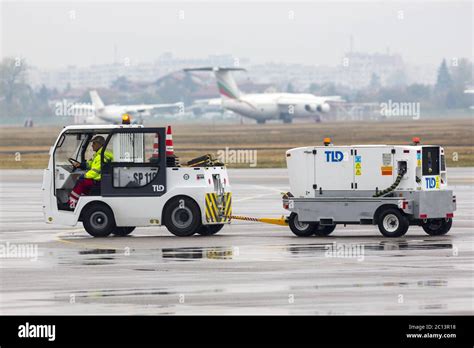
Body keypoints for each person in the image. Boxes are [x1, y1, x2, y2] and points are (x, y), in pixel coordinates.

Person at [68, 136, 113, 208]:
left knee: (81, 181)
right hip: (101, 180)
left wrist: (84, 175)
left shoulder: (101, 156)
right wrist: (81, 165)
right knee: (83, 181)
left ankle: (71, 204)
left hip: (99, 181)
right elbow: (90, 164)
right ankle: (81, 203)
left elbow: (95, 172)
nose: (92, 145)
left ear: (100, 144)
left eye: (94, 143)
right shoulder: (98, 154)